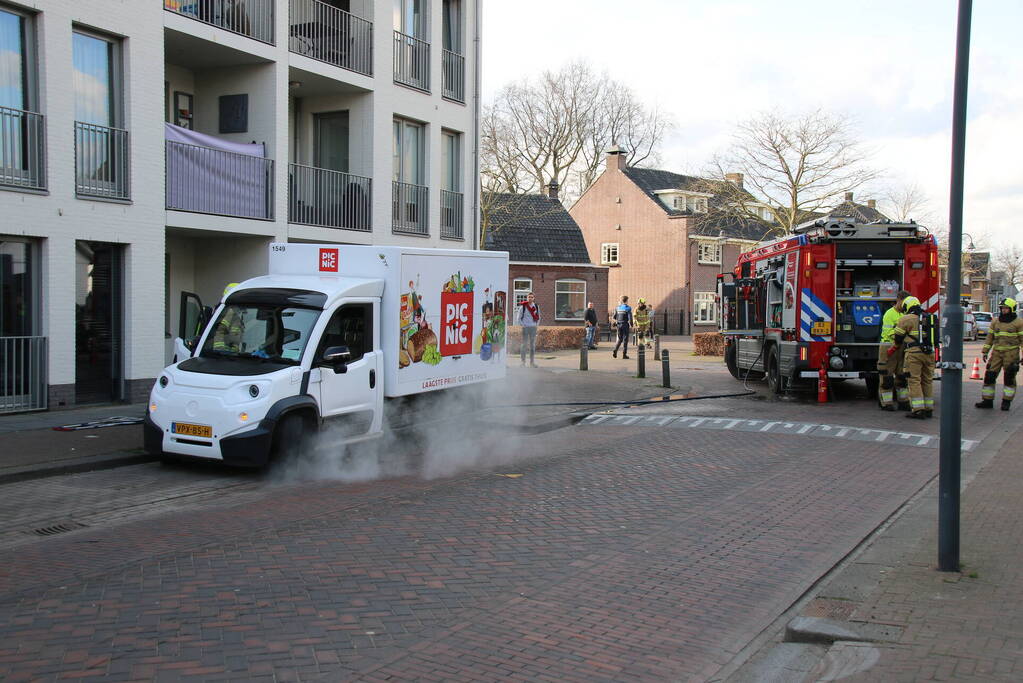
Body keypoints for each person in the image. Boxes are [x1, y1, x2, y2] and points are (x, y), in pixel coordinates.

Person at [889, 295, 935, 419]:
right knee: (927, 380)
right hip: (930, 353)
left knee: (914, 380)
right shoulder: (929, 317)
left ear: (907, 307)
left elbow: (898, 338)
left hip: (914, 354)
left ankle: (918, 410)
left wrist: (894, 347)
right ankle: (928, 409)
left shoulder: (906, 319)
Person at [975, 297, 1023, 411]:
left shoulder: (1019, 323)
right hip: (996, 354)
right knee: (989, 376)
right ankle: (987, 401)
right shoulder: (995, 321)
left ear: (1012, 309)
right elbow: (990, 338)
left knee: (1009, 378)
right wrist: (985, 351)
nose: (1003, 310)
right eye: (1002, 308)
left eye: (1006, 308)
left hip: (1011, 354)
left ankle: (1006, 402)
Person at [877, 290, 911, 411]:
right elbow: (888, 332)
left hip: (901, 347)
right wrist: (903, 336)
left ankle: (903, 401)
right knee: (887, 376)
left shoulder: (906, 314)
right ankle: (886, 403)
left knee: (902, 376)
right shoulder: (889, 314)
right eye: (904, 302)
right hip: (889, 347)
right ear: (899, 300)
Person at [517, 292, 541, 367]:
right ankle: (523, 362)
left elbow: (539, 317)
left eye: (531, 297)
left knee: (532, 345)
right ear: (527, 298)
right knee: (524, 345)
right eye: (529, 297)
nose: (530, 298)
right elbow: (518, 318)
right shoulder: (523, 307)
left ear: (534, 298)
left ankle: (532, 363)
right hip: (526, 328)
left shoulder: (536, 306)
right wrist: (523, 325)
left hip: (533, 328)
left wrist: (536, 325)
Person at [612, 295, 633, 359]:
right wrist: (632, 325)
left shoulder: (618, 308)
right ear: (626, 301)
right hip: (625, 325)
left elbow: (614, 317)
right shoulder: (628, 308)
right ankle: (624, 354)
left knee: (620, 339)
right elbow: (630, 318)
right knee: (625, 340)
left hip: (619, 325)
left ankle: (615, 350)